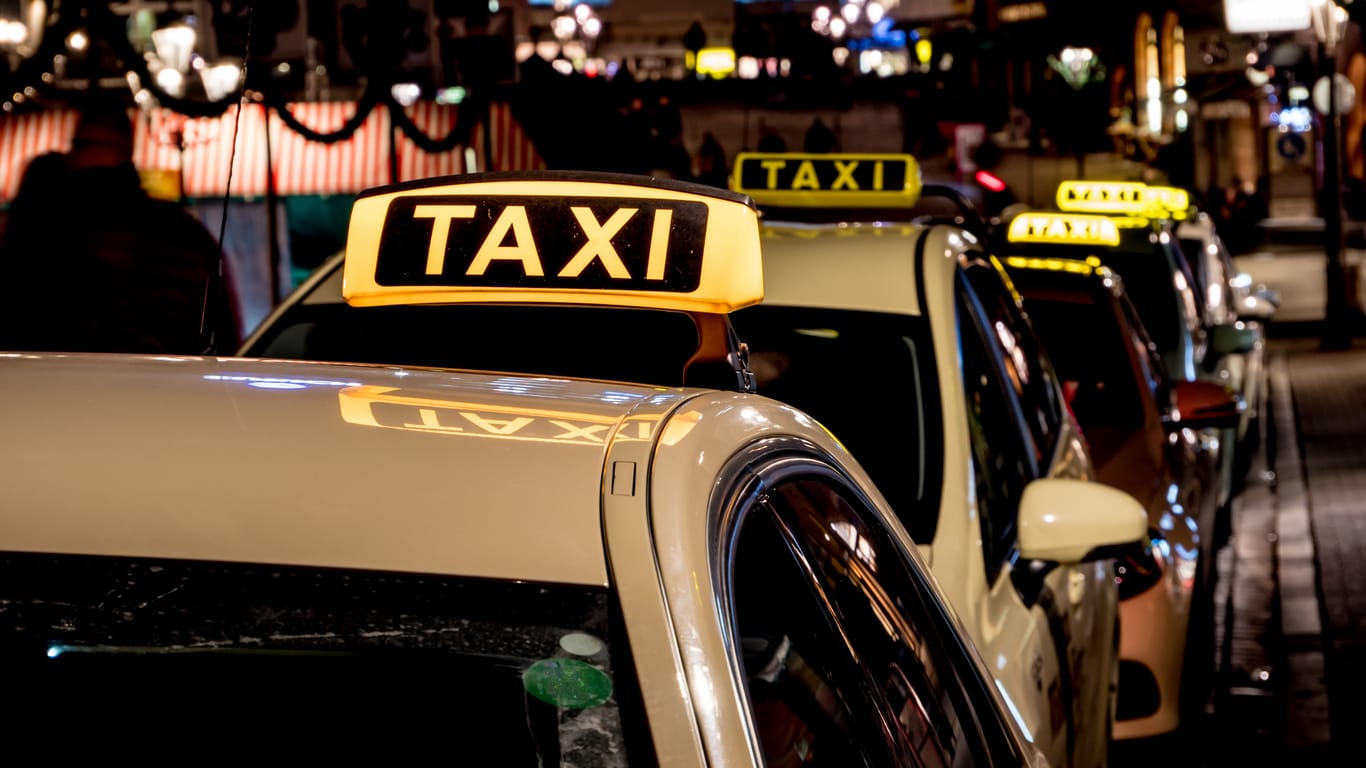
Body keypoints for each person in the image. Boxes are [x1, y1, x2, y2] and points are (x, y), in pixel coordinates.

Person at [0, 97, 239, 354]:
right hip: (171, 380)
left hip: (65, 378)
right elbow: (221, 323)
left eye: (80, 144)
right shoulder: (182, 229)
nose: (73, 154)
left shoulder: (56, 231)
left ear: (110, 147)